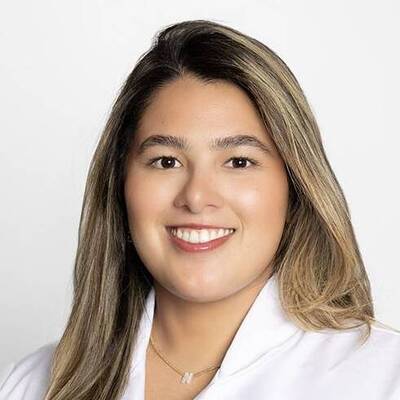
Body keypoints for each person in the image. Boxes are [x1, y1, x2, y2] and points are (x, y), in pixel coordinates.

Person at [1, 19, 400, 400]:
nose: (196, 196)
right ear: (120, 183)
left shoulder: (384, 380)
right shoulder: (30, 386)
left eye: (238, 162)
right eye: (166, 161)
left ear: (296, 187)